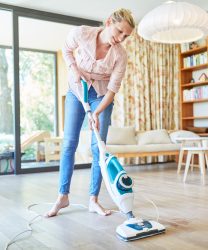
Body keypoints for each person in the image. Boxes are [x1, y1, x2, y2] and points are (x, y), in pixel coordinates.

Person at [47, 9, 135, 217]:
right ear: (108, 22)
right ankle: (63, 196)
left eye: (126, 36)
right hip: (77, 91)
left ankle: (93, 200)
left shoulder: (120, 55)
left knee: (99, 148)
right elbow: (67, 49)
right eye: (120, 31)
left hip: (102, 96)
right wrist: (73, 69)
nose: (121, 38)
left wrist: (97, 112)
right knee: (69, 142)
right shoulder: (82, 33)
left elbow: (112, 90)